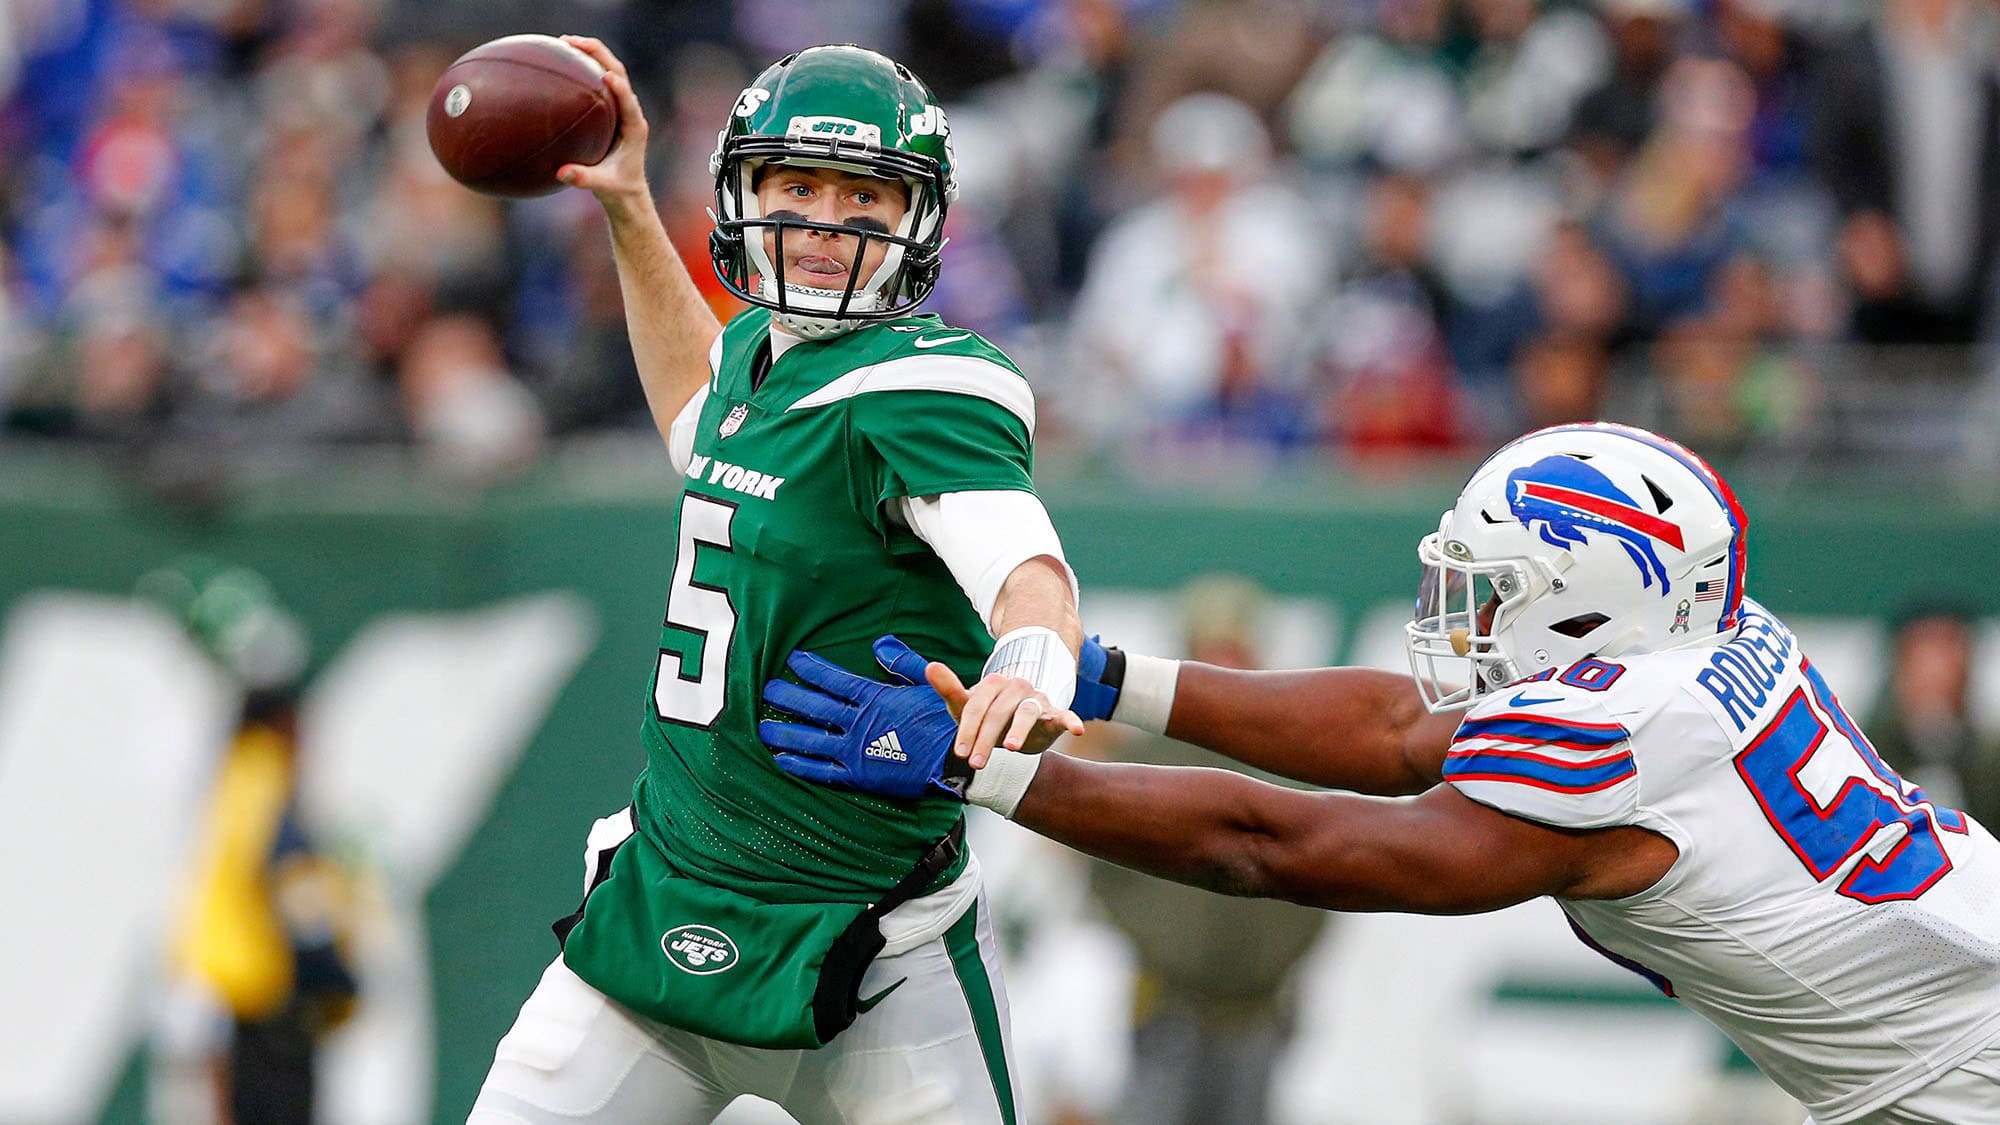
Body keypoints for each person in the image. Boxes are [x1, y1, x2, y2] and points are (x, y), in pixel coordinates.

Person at [763, 421, 2000, 1124]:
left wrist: (978, 772)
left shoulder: (1616, 739)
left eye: (1495, 588)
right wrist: (1103, 678)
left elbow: (1274, 847)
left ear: (1590, 607)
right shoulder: (1709, 640)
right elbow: (1398, 730)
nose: (1462, 611)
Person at [469, 39, 1086, 1125]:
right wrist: (627, 207)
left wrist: (1030, 663)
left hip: (876, 951)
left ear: (918, 218)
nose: (824, 221)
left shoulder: (927, 383)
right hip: (663, 905)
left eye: (862, 196)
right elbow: (692, 414)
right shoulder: (757, 350)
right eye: (797, 188)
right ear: (744, 193)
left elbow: (1024, 565)